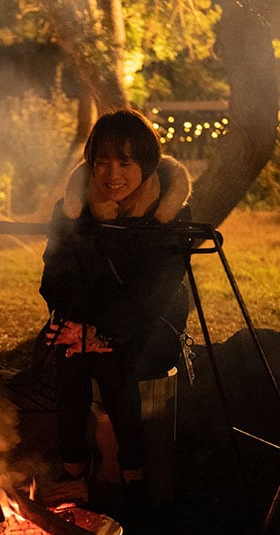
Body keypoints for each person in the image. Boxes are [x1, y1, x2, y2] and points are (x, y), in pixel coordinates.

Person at [39, 108, 192, 506]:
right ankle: (73, 469)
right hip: (85, 319)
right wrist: (76, 324)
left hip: (153, 326)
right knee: (67, 350)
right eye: (102, 161)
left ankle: (133, 471)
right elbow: (56, 274)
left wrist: (101, 332)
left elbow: (154, 288)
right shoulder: (73, 209)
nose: (112, 174)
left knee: (108, 354)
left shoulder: (170, 213)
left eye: (125, 162)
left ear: (146, 163)